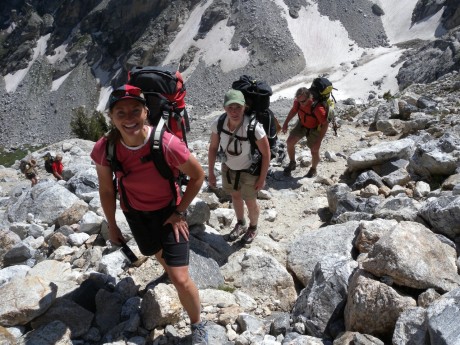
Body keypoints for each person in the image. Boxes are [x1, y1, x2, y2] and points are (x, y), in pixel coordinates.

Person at [90, 84, 208, 345]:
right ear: (111, 117)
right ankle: (167, 267)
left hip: (169, 214)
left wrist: (179, 212)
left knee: (180, 278)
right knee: (152, 250)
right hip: (136, 214)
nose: (128, 118)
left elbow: (198, 176)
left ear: (146, 112)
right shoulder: (105, 148)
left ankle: (198, 325)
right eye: (120, 113)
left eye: (135, 110)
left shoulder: (166, 143)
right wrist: (112, 225)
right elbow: (107, 190)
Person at [208, 89, 270, 244]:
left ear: (244, 107)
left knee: (250, 200)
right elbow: (213, 148)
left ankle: (253, 227)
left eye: (238, 107)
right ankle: (241, 223)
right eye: (230, 108)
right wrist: (211, 172)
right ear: (224, 108)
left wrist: (262, 178)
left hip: (249, 171)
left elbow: (266, 153)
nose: (234, 112)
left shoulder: (254, 128)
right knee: (235, 196)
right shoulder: (219, 123)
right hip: (228, 168)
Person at [281, 87, 329, 177]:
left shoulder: (317, 108)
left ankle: (313, 169)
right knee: (289, 142)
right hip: (302, 124)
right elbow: (294, 110)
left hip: (314, 128)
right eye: (298, 101)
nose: (301, 104)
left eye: (303, 101)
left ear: (309, 98)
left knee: (314, 150)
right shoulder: (299, 102)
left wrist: (318, 141)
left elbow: (325, 124)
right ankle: (292, 163)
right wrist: (286, 123)